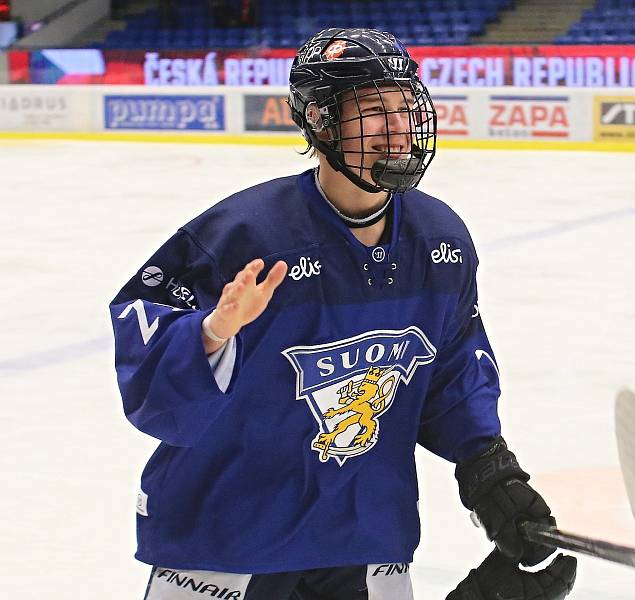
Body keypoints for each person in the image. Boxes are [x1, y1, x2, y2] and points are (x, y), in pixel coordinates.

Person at [110, 27, 577, 600]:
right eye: (373, 112)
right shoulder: (245, 234)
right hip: (226, 540)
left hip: (363, 536)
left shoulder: (439, 240)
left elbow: (453, 376)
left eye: (406, 108)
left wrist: (490, 471)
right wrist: (212, 334)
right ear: (321, 122)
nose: (398, 129)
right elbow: (152, 384)